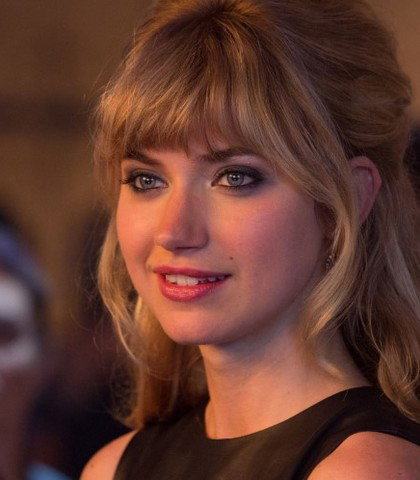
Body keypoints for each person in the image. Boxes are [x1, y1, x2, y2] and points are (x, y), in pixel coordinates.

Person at [82, 0, 420, 478]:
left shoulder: (366, 469)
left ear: (345, 200)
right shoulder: (110, 468)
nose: (173, 231)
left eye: (235, 177)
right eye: (146, 180)